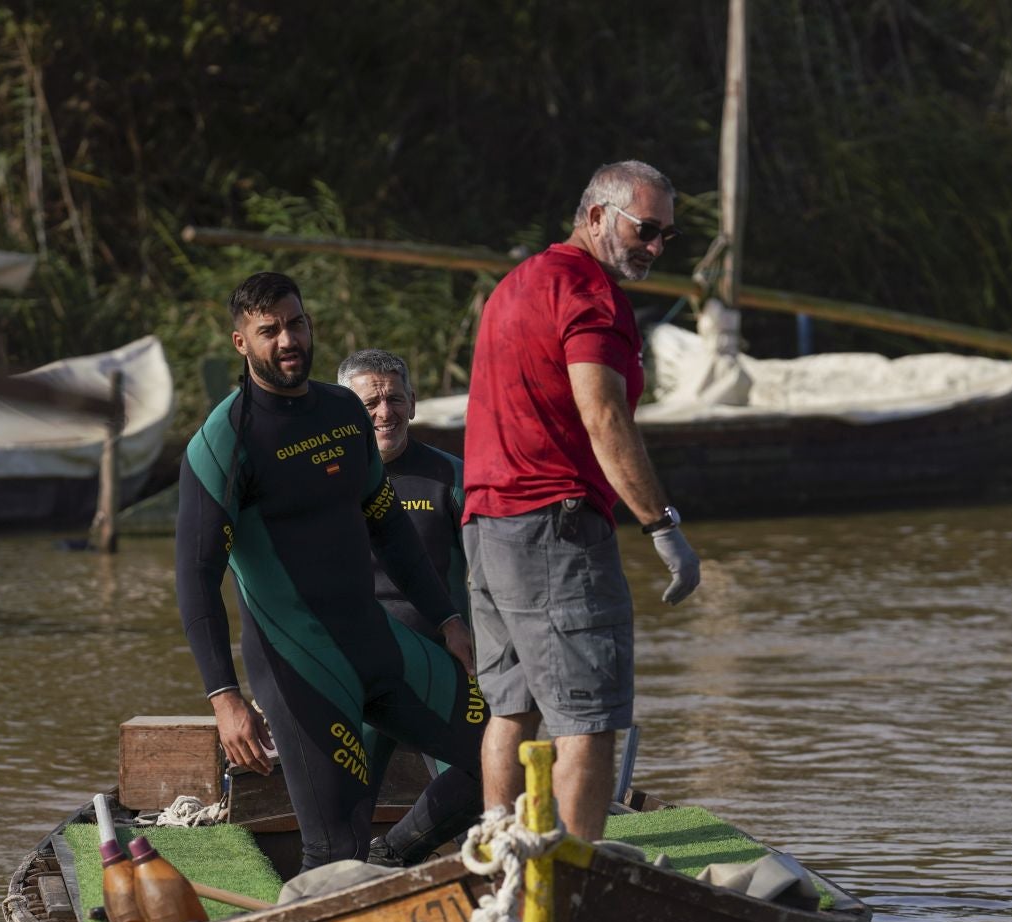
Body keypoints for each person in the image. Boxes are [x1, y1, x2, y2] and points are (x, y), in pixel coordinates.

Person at [175, 272, 487, 872]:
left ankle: (393, 863)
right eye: (269, 331)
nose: (287, 340)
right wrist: (224, 698)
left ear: (310, 324)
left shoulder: (344, 410)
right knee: (334, 845)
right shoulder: (223, 442)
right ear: (241, 343)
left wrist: (449, 618)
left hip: (379, 643)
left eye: (295, 323)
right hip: (302, 667)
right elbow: (196, 576)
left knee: (499, 755)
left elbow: (388, 525)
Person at [461, 160, 701, 843]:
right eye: (645, 229)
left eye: (667, 238)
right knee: (589, 719)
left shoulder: (515, 285)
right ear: (596, 216)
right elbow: (604, 416)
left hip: (486, 525)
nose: (655, 248)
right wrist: (662, 525)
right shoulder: (589, 293)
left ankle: (500, 866)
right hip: (553, 528)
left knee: (510, 711)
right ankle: (568, 887)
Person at [339, 348, 467, 835]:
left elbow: (493, 574)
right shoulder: (325, 483)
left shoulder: (452, 478)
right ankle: (344, 874)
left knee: (483, 774)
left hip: (442, 664)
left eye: (394, 398)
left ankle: (394, 853)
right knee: (344, 808)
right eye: (370, 402)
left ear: (413, 403)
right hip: (358, 672)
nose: (384, 412)